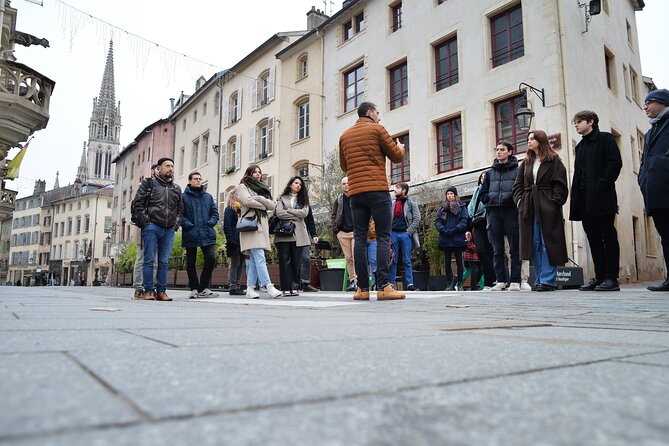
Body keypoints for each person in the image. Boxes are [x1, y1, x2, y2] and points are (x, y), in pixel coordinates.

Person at [339, 101, 406, 301]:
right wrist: (400, 147)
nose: (379, 116)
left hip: (357, 193)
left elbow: (344, 165)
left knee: (359, 238)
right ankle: (384, 287)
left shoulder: (344, 136)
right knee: (383, 237)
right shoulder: (378, 130)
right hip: (377, 190)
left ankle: (362, 289)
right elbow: (396, 157)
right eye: (377, 113)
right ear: (369, 113)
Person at [569, 110, 623, 292]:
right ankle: (600, 277)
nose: (575, 125)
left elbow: (615, 163)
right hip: (584, 201)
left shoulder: (606, 139)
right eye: (574, 123)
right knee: (593, 238)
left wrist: (601, 184)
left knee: (607, 236)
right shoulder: (580, 147)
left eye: (578, 122)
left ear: (590, 121)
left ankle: (611, 278)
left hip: (602, 197)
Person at [513, 130, 569, 292]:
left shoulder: (554, 161)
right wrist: (520, 202)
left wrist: (554, 202)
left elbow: (561, 185)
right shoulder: (526, 162)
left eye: (532, 138)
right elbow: (517, 186)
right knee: (534, 243)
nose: (529, 141)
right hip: (529, 207)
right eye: (528, 139)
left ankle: (548, 280)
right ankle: (539, 279)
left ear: (541, 140)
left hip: (547, 206)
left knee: (548, 243)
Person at [131, 157, 183, 301]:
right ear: (158, 169)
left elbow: (180, 210)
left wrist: (175, 224)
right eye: (167, 166)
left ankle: (161, 291)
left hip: (169, 229)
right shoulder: (148, 184)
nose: (170, 168)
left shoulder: (176, 188)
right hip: (152, 226)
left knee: (164, 261)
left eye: (172, 166)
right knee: (149, 260)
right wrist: (146, 222)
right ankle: (149, 290)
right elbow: (138, 204)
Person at [480, 141, 522, 292]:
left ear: (510, 152)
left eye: (502, 149)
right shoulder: (490, 173)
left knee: (514, 248)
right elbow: (482, 193)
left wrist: (514, 201)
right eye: (497, 149)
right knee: (497, 249)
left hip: (511, 211)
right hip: (494, 212)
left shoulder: (518, 170)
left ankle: (516, 281)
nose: (498, 152)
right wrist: (488, 200)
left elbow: (521, 190)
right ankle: (501, 280)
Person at [236, 165, 282, 299]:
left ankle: (250, 288)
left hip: (261, 225)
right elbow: (246, 201)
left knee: (256, 260)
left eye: (259, 172)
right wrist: (264, 204)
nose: (257, 174)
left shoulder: (263, 188)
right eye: (254, 172)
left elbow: (273, 205)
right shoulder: (243, 186)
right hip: (251, 225)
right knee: (260, 256)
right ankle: (268, 286)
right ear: (249, 173)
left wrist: (260, 199)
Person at [639, 88, 669, 291]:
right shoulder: (650, 132)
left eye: (649, 102)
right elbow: (645, 160)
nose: (645, 106)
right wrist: (642, 179)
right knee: (666, 235)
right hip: (655, 192)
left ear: (662, 102)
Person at [181, 171, 219, 299]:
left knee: (211, 258)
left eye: (199, 179)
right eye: (195, 179)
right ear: (189, 181)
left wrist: (210, 223)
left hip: (207, 232)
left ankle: (203, 287)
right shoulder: (183, 197)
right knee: (191, 262)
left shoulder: (207, 197)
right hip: (190, 233)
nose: (198, 180)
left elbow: (215, 213)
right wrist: (189, 225)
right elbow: (180, 215)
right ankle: (194, 288)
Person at [274, 176, 310, 296]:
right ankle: (285, 287)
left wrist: (288, 210)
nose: (298, 185)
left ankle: (294, 287)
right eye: (296, 183)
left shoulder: (304, 200)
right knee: (284, 261)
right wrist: (296, 216)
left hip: (299, 234)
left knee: (296, 261)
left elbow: (304, 213)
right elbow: (279, 213)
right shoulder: (281, 198)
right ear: (290, 184)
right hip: (284, 232)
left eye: (300, 184)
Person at [132, 163, 158, 299]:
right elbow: (136, 206)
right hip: (144, 228)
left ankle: (149, 286)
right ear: (153, 171)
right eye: (156, 169)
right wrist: (145, 221)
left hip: (158, 228)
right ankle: (138, 288)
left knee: (154, 260)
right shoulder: (144, 186)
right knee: (142, 258)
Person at [435, 186, 469, 291]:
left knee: (459, 261)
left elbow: (464, 220)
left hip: (457, 237)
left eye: (451, 194)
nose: (449, 196)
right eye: (448, 194)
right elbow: (437, 221)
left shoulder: (462, 207)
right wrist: (443, 230)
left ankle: (459, 283)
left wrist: (455, 229)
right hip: (446, 238)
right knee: (447, 261)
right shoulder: (442, 208)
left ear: (455, 195)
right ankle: (449, 283)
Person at [389, 183, 421, 291]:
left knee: (407, 260)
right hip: (393, 234)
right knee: (393, 259)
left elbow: (417, 219)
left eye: (397, 188)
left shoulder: (411, 203)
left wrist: (409, 232)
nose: (395, 190)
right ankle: (391, 284)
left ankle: (410, 284)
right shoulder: (392, 204)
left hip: (405, 234)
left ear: (404, 190)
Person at [468, 171, 495, 290]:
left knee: (490, 252)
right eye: (482, 177)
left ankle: (489, 282)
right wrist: (468, 229)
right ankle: (493, 277)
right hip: (478, 223)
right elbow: (471, 209)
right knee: (481, 251)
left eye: (485, 177)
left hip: (490, 223)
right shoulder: (476, 191)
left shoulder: (491, 189)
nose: (484, 179)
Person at [331, 177, 357, 291]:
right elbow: (333, 215)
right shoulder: (338, 199)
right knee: (349, 258)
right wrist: (336, 230)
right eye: (344, 184)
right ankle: (353, 281)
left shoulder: (357, 197)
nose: (346, 185)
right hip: (343, 233)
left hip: (356, 232)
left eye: (348, 183)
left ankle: (360, 280)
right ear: (341, 186)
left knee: (356, 256)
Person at [223, 190, 245, 295]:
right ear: (233, 196)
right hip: (234, 241)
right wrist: (231, 240)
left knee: (241, 263)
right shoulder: (229, 209)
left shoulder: (241, 210)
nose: (240, 196)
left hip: (243, 240)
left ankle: (237, 285)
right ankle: (233, 287)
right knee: (235, 263)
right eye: (238, 194)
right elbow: (227, 226)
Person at [299, 206, 319, 292]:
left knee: (306, 258)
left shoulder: (305, 204)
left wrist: (314, 235)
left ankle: (306, 283)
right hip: (290, 233)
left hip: (304, 234)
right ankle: (294, 283)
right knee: (293, 259)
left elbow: (310, 220)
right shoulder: (287, 200)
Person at [367, 219, 378, 290]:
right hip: (361, 239)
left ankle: (374, 284)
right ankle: (362, 284)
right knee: (361, 261)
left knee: (373, 261)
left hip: (373, 239)